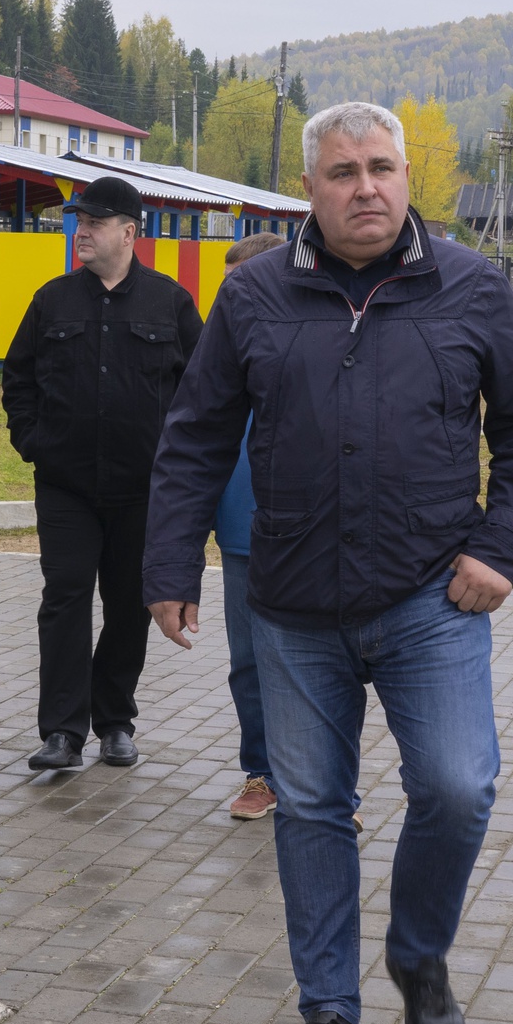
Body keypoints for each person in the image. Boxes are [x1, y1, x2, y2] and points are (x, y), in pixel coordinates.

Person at [143, 102, 513, 1024]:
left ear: (406, 177)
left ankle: (417, 956)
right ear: (309, 188)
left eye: (380, 166)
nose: (363, 186)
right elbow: (196, 434)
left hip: (432, 599)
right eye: (342, 171)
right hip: (291, 608)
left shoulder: (468, 289)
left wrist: (501, 546)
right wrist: (167, 565)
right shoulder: (250, 299)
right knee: (311, 810)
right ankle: (326, 1012)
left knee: (457, 787)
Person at [0, 176, 202, 772]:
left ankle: (115, 720)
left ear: (129, 231)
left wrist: (175, 460)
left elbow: (201, 391)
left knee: (126, 603)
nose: (81, 231)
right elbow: (20, 378)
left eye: (93, 222)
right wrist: (33, 442)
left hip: (141, 488)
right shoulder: (52, 299)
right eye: (77, 221)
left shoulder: (171, 302)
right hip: (66, 485)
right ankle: (62, 730)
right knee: (64, 600)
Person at [211, 232, 283, 821]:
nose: (225, 299)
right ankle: (260, 774)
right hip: (240, 534)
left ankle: (334, 787)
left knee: (322, 664)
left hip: (312, 534)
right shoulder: (217, 359)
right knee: (248, 661)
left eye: (237, 286)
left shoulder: (311, 345)